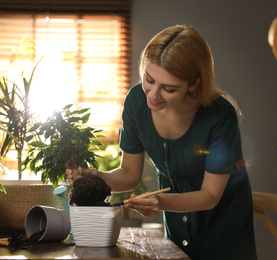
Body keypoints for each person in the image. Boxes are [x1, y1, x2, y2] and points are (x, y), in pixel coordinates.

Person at [66, 25, 257, 260]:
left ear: (194, 84)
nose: (153, 95)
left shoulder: (219, 115)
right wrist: (97, 178)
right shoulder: (136, 101)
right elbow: (128, 174)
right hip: (177, 230)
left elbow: (210, 195)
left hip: (224, 232)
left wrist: (160, 202)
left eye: (169, 88)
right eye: (149, 79)